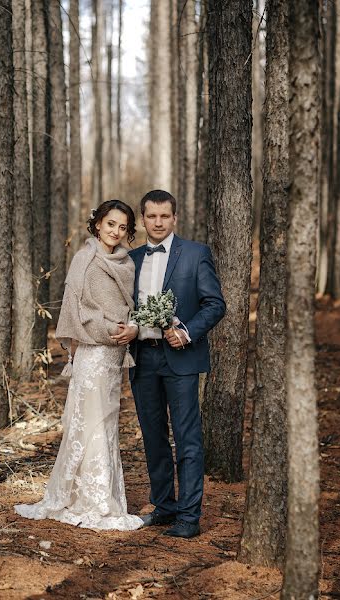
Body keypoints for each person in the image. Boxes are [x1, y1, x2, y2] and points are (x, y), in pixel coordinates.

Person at [14, 199, 144, 531]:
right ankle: (93, 499)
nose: (116, 231)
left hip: (116, 354)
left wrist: (130, 328)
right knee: (91, 421)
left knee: (107, 420)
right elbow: (75, 309)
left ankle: (100, 492)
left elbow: (131, 306)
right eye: (110, 223)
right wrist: (104, 329)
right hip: (93, 351)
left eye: (123, 227)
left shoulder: (127, 263)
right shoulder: (84, 259)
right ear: (98, 223)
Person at [111, 189, 226, 539]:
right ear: (143, 219)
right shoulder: (129, 259)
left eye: (164, 216)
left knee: (187, 438)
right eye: (151, 216)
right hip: (142, 358)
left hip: (181, 358)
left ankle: (189, 518)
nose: (158, 222)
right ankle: (164, 506)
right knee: (153, 436)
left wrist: (187, 331)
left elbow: (215, 304)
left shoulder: (195, 254)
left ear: (174, 218)